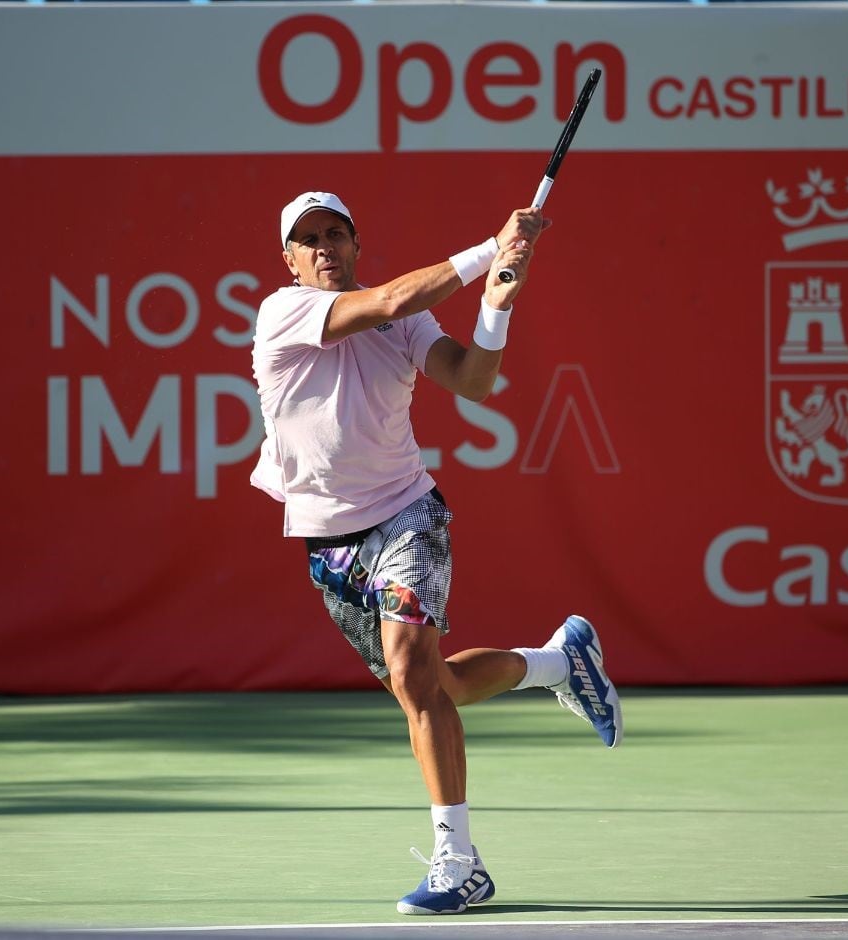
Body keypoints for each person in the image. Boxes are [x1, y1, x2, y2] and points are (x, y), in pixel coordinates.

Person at [249, 191, 623, 916]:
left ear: (356, 245)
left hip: (407, 517)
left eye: (337, 234)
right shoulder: (283, 311)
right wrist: (491, 247)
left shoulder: (405, 319)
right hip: (329, 544)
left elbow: (473, 381)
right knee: (430, 690)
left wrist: (496, 304)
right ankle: (558, 663)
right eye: (308, 240)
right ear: (288, 260)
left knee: (412, 678)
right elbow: (387, 301)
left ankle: (460, 864)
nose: (325, 248)